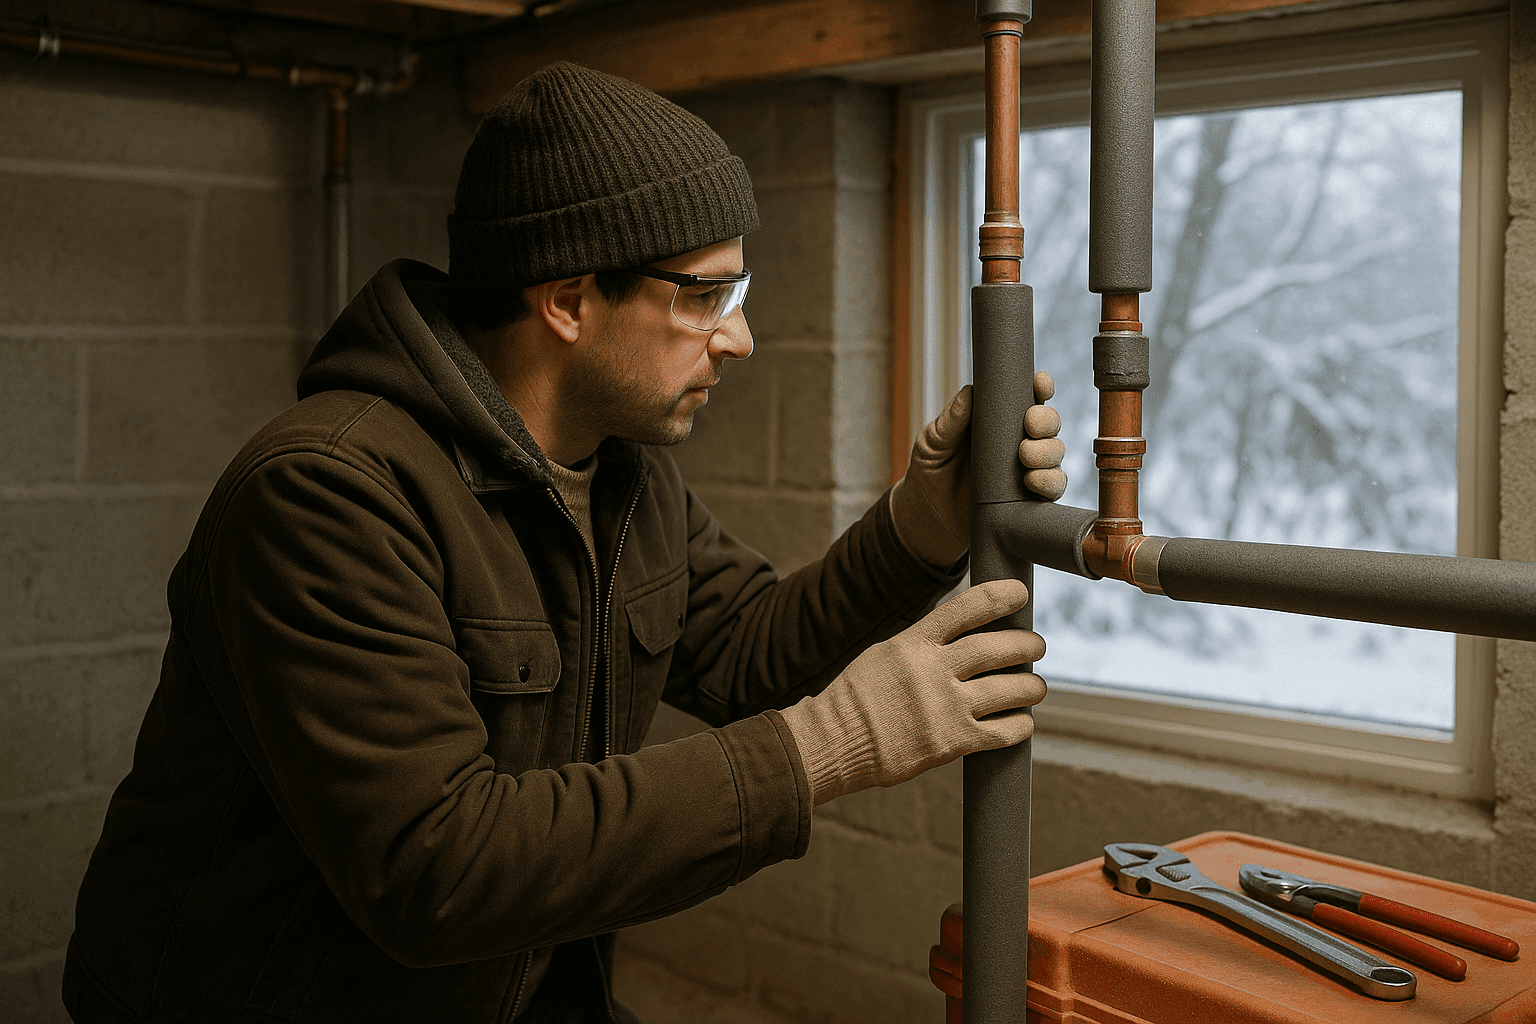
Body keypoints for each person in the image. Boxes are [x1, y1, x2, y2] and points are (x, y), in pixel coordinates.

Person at [62, 62, 1066, 1024]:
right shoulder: (328, 495)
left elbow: (751, 647)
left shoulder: (620, 474)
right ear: (570, 300)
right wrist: (828, 746)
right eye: (702, 297)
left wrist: (918, 525)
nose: (740, 337)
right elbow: (439, 865)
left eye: (737, 292)